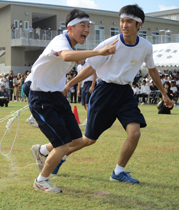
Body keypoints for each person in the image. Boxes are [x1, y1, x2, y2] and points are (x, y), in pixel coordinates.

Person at [58, 5, 174, 184]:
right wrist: (69, 84)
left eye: (129, 21)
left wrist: (164, 95)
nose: (124, 25)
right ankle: (58, 157)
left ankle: (118, 172)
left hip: (125, 93)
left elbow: (152, 71)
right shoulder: (110, 44)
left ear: (139, 25)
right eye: (122, 21)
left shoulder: (146, 47)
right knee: (88, 139)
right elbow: (91, 67)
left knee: (134, 133)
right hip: (105, 91)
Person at [29, 8, 117, 193]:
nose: (86, 29)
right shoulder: (61, 41)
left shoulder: (71, 45)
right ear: (70, 27)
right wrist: (98, 52)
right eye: (82, 26)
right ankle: (41, 180)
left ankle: (43, 150)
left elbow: (73, 58)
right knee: (62, 146)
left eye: (88, 26)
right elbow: (66, 56)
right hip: (41, 98)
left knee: (77, 140)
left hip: (57, 96)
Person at [77, 60, 96, 126]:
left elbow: (94, 74)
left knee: (88, 104)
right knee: (84, 105)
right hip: (84, 84)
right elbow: (79, 78)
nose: (77, 61)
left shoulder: (88, 63)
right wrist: (78, 89)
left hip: (90, 83)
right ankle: (91, 118)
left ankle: (88, 121)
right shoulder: (79, 67)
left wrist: (92, 86)